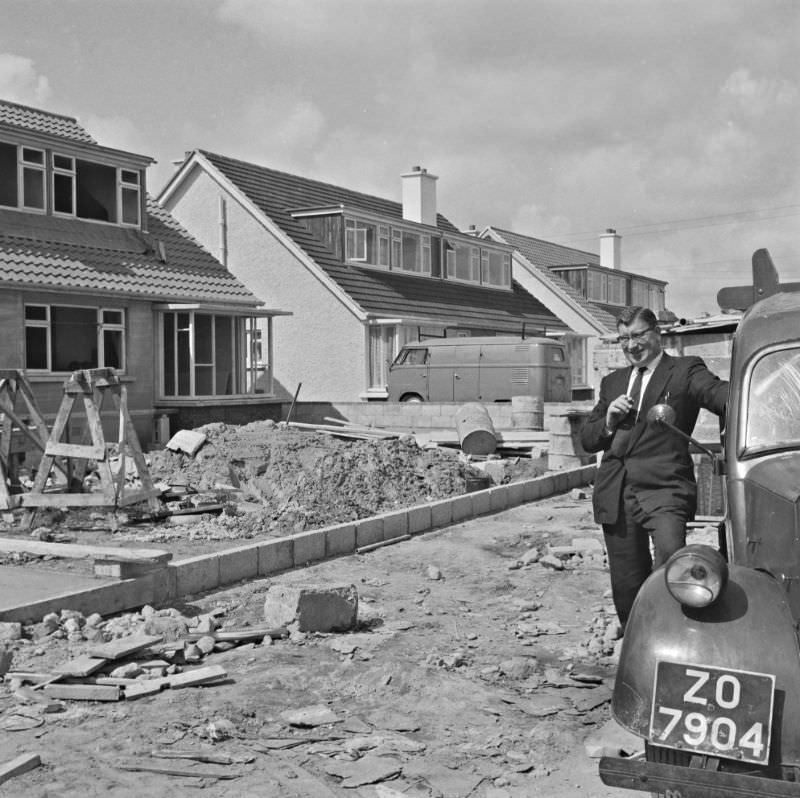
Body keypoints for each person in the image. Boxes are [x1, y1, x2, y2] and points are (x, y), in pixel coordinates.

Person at [580, 306, 728, 628]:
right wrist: (608, 421)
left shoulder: (684, 371)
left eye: (637, 335)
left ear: (656, 333)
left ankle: (671, 639)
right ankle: (637, 645)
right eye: (623, 339)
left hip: (665, 488)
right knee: (626, 584)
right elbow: (588, 440)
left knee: (671, 567)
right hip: (617, 492)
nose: (631, 345)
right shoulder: (612, 382)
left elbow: (720, 395)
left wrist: (760, 397)